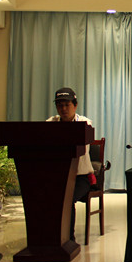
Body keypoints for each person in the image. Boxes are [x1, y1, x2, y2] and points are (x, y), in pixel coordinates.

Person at [46, 87, 94, 241]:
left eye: (67, 105)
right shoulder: (51, 123)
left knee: (67, 198)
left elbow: (80, 149)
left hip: (81, 177)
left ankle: (68, 239)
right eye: (60, 105)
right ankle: (50, 237)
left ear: (75, 105)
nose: (64, 109)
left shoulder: (85, 123)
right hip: (58, 176)